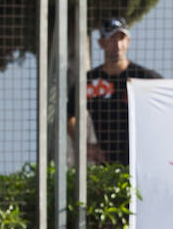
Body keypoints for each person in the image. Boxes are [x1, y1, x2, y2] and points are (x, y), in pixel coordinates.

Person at [67, 17, 161, 166]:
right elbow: (69, 115)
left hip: (142, 161)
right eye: (111, 39)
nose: (117, 45)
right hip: (106, 165)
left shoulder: (145, 77)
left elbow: (167, 106)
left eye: (121, 38)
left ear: (128, 41)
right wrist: (85, 146)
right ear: (101, 43)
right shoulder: (89, 81)